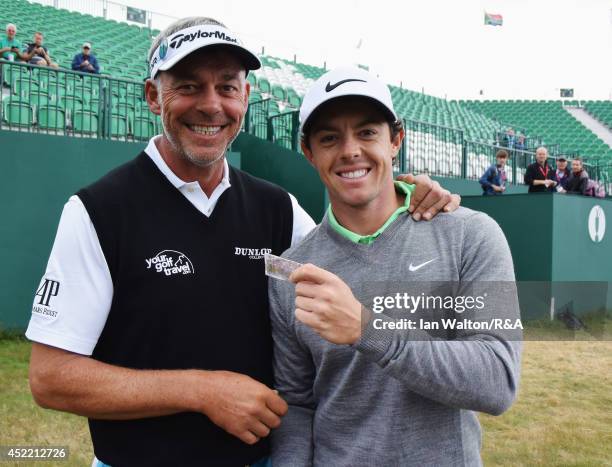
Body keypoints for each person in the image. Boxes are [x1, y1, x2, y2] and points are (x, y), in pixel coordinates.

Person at [26, 17, 460, 467]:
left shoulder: (278, 209)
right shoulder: (99, 210)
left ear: (246, 97)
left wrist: (406, 198)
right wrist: (202, 391)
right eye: (189, 86)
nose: (211, 105)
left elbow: (357, 275)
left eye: (228, 87)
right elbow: (52, 378)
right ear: (154, 96)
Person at [269, 66, 522, 466]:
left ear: (395, 140)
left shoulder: (470, 235)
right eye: (330, 138)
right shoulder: (293, 272)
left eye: (367, 132)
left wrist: (368, 330)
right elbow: (297, 405)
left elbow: (497, 381)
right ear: (309, 153)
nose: (350, 150)